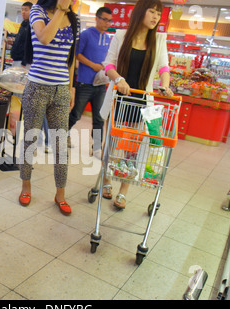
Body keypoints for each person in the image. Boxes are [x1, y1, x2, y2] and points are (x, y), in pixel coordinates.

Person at [102, 0, 173, 210]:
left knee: (132, 150)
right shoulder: (121, 36)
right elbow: (108, 64)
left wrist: (165, 86)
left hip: (142, 102)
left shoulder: (159, 40)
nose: (155, 17)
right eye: (152, 11)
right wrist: (119, 79)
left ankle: (124, 191)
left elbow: (164, 67)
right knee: (112, 145)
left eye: (158, 14)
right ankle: (107, 180)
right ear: (141, 11)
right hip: (118, 98)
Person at [18, 0, 80, 216]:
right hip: (37, 87)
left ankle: (60, 194)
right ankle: (26, 186)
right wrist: (61, 11)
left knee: (61, 145)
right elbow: (44, 38)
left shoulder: (74, 18)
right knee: (30, 139)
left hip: (61, 88)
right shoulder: (38, 10)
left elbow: (70, 58)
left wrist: (71, 88)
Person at [68, 6, 112, 158]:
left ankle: (97, 147)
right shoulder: (86, 35)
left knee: (99, 117)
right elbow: (76, 54)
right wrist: (92, 65)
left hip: (101, 84)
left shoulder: (108, 38)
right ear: (97, 18)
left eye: (109, 20)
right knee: (76, 114)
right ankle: (61, 135)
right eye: (104, 19)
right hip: (84, 82)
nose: (107, 23)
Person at [11, 1, 51, 153]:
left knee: (35, 106)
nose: (23, 12)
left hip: (28, 67)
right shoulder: (24, 25)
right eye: (22, 10)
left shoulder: (36, 25)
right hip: (21, 66)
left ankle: (42, 141)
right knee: (26, 105)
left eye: (26, 10)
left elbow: (32, 47)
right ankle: (28, 140)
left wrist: (24, 62)